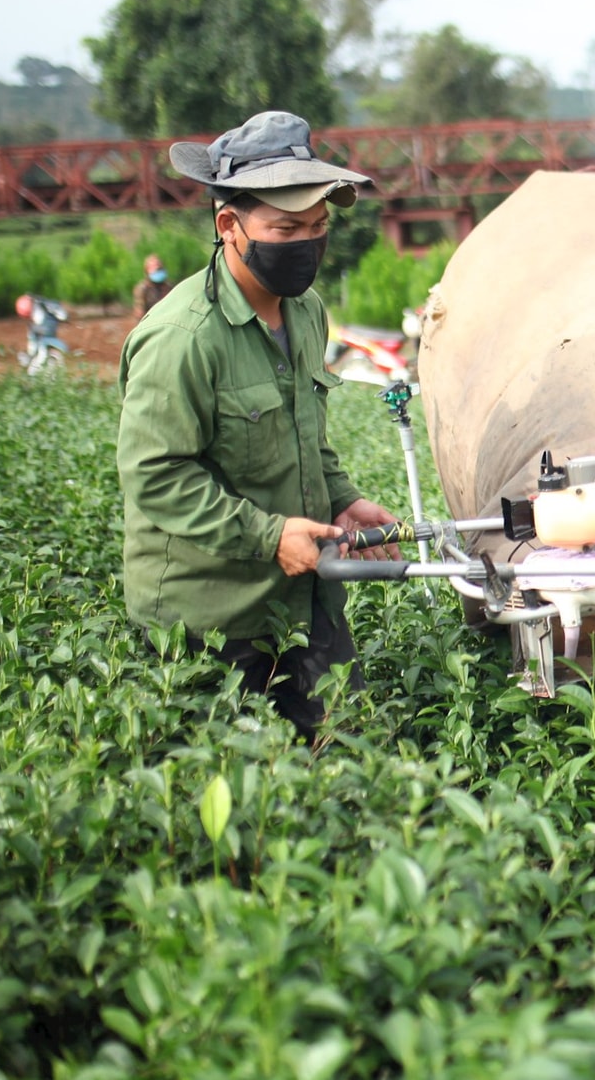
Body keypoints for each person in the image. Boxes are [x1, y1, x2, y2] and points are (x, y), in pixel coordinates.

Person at [117, 110, 398, 741]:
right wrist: (269, 535)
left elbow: (306, 433)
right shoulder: (181, 339)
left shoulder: (306, 312)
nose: (308, 243)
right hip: (214, 620)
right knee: (237, 804)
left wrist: (343, 499)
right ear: (230, 226)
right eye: (287, 228)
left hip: (306, 599)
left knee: (351, 760)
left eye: (319, 226)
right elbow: (156, 476)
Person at [133, 254, 172, 321]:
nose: (157, 268)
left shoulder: (169, 286)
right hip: (150, 322)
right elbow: (139, 313)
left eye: (159, 266)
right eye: (154, 267)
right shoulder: (142, 289)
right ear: (147, 271)